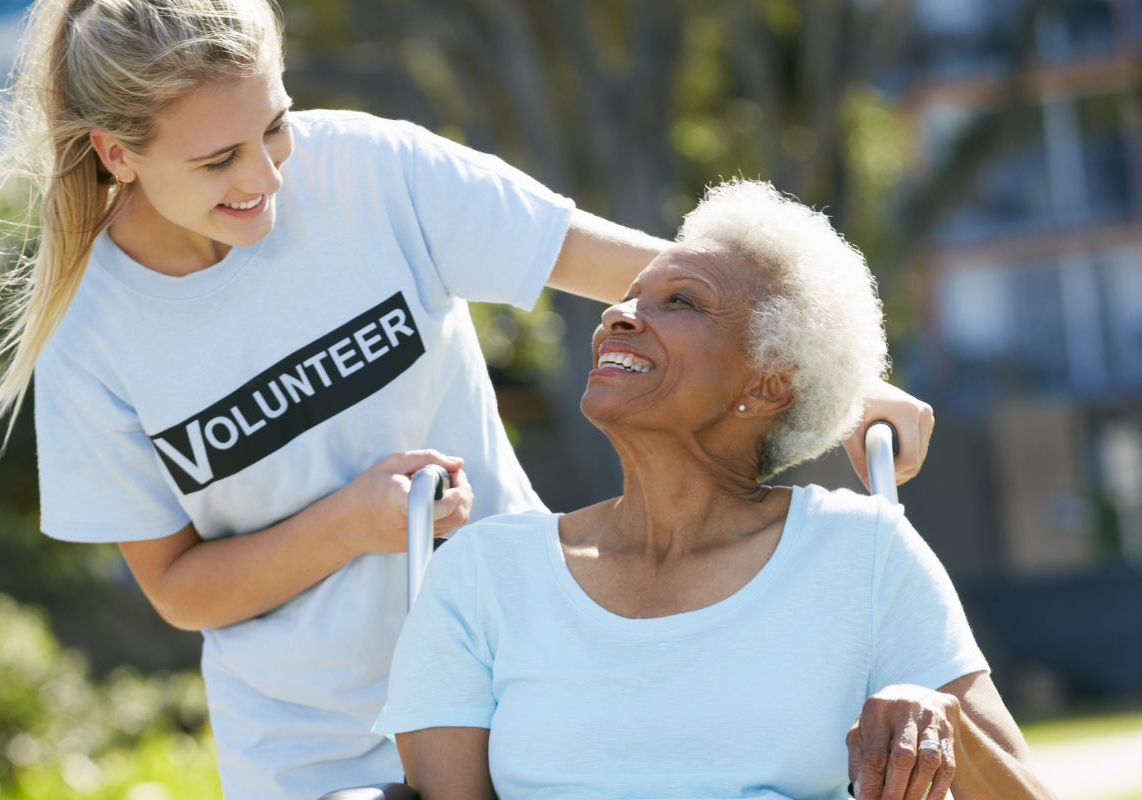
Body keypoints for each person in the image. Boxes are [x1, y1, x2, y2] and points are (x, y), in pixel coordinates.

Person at [0, 0, 934, 797]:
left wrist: (828, 370)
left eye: (275, 125)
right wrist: (350, 522)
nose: (265, 175)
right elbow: (177, 585)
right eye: (218, 160)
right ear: (117, 154)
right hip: (317, 751)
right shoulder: (90, 340)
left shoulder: (375, 171)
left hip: (528, 692)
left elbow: (615, 264)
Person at [376, 180, 1057, 800]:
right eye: (628, 296)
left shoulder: (862, 551)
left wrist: (949, 729)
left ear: (768, 385)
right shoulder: (482, 571)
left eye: (680, 302)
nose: (618, 315)